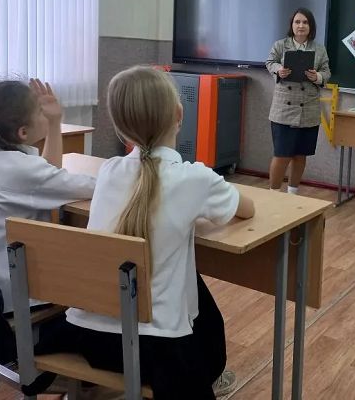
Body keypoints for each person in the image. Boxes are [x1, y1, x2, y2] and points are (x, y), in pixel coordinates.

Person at [66, 66, 255, 399]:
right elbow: (247, 208)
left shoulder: (109, 171)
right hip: (157, 352)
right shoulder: (195, 178)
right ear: (179, 115)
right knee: (196, 303)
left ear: (121, 128)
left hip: (89, 340)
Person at [0, 79, 96, 313]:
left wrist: (53, 122)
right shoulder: (22, 171)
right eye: (40, 112)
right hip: (8, 299)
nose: (45, 115)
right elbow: (93, 187)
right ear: (23, 132)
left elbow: (45, 177)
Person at [266, 8, 331, 193]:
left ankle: (293, 194)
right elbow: (269, 62)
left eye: (305, 22)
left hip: (308, 109)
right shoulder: (280, 45)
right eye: (297, 22)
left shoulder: (319, 48)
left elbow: (326, 72)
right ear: (292, 25)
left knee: (300, 155)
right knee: (282, 154)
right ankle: (273, 194)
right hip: (283, 109)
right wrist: (278, 70)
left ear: (311, 26)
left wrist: (317, 76)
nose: (301, 25)